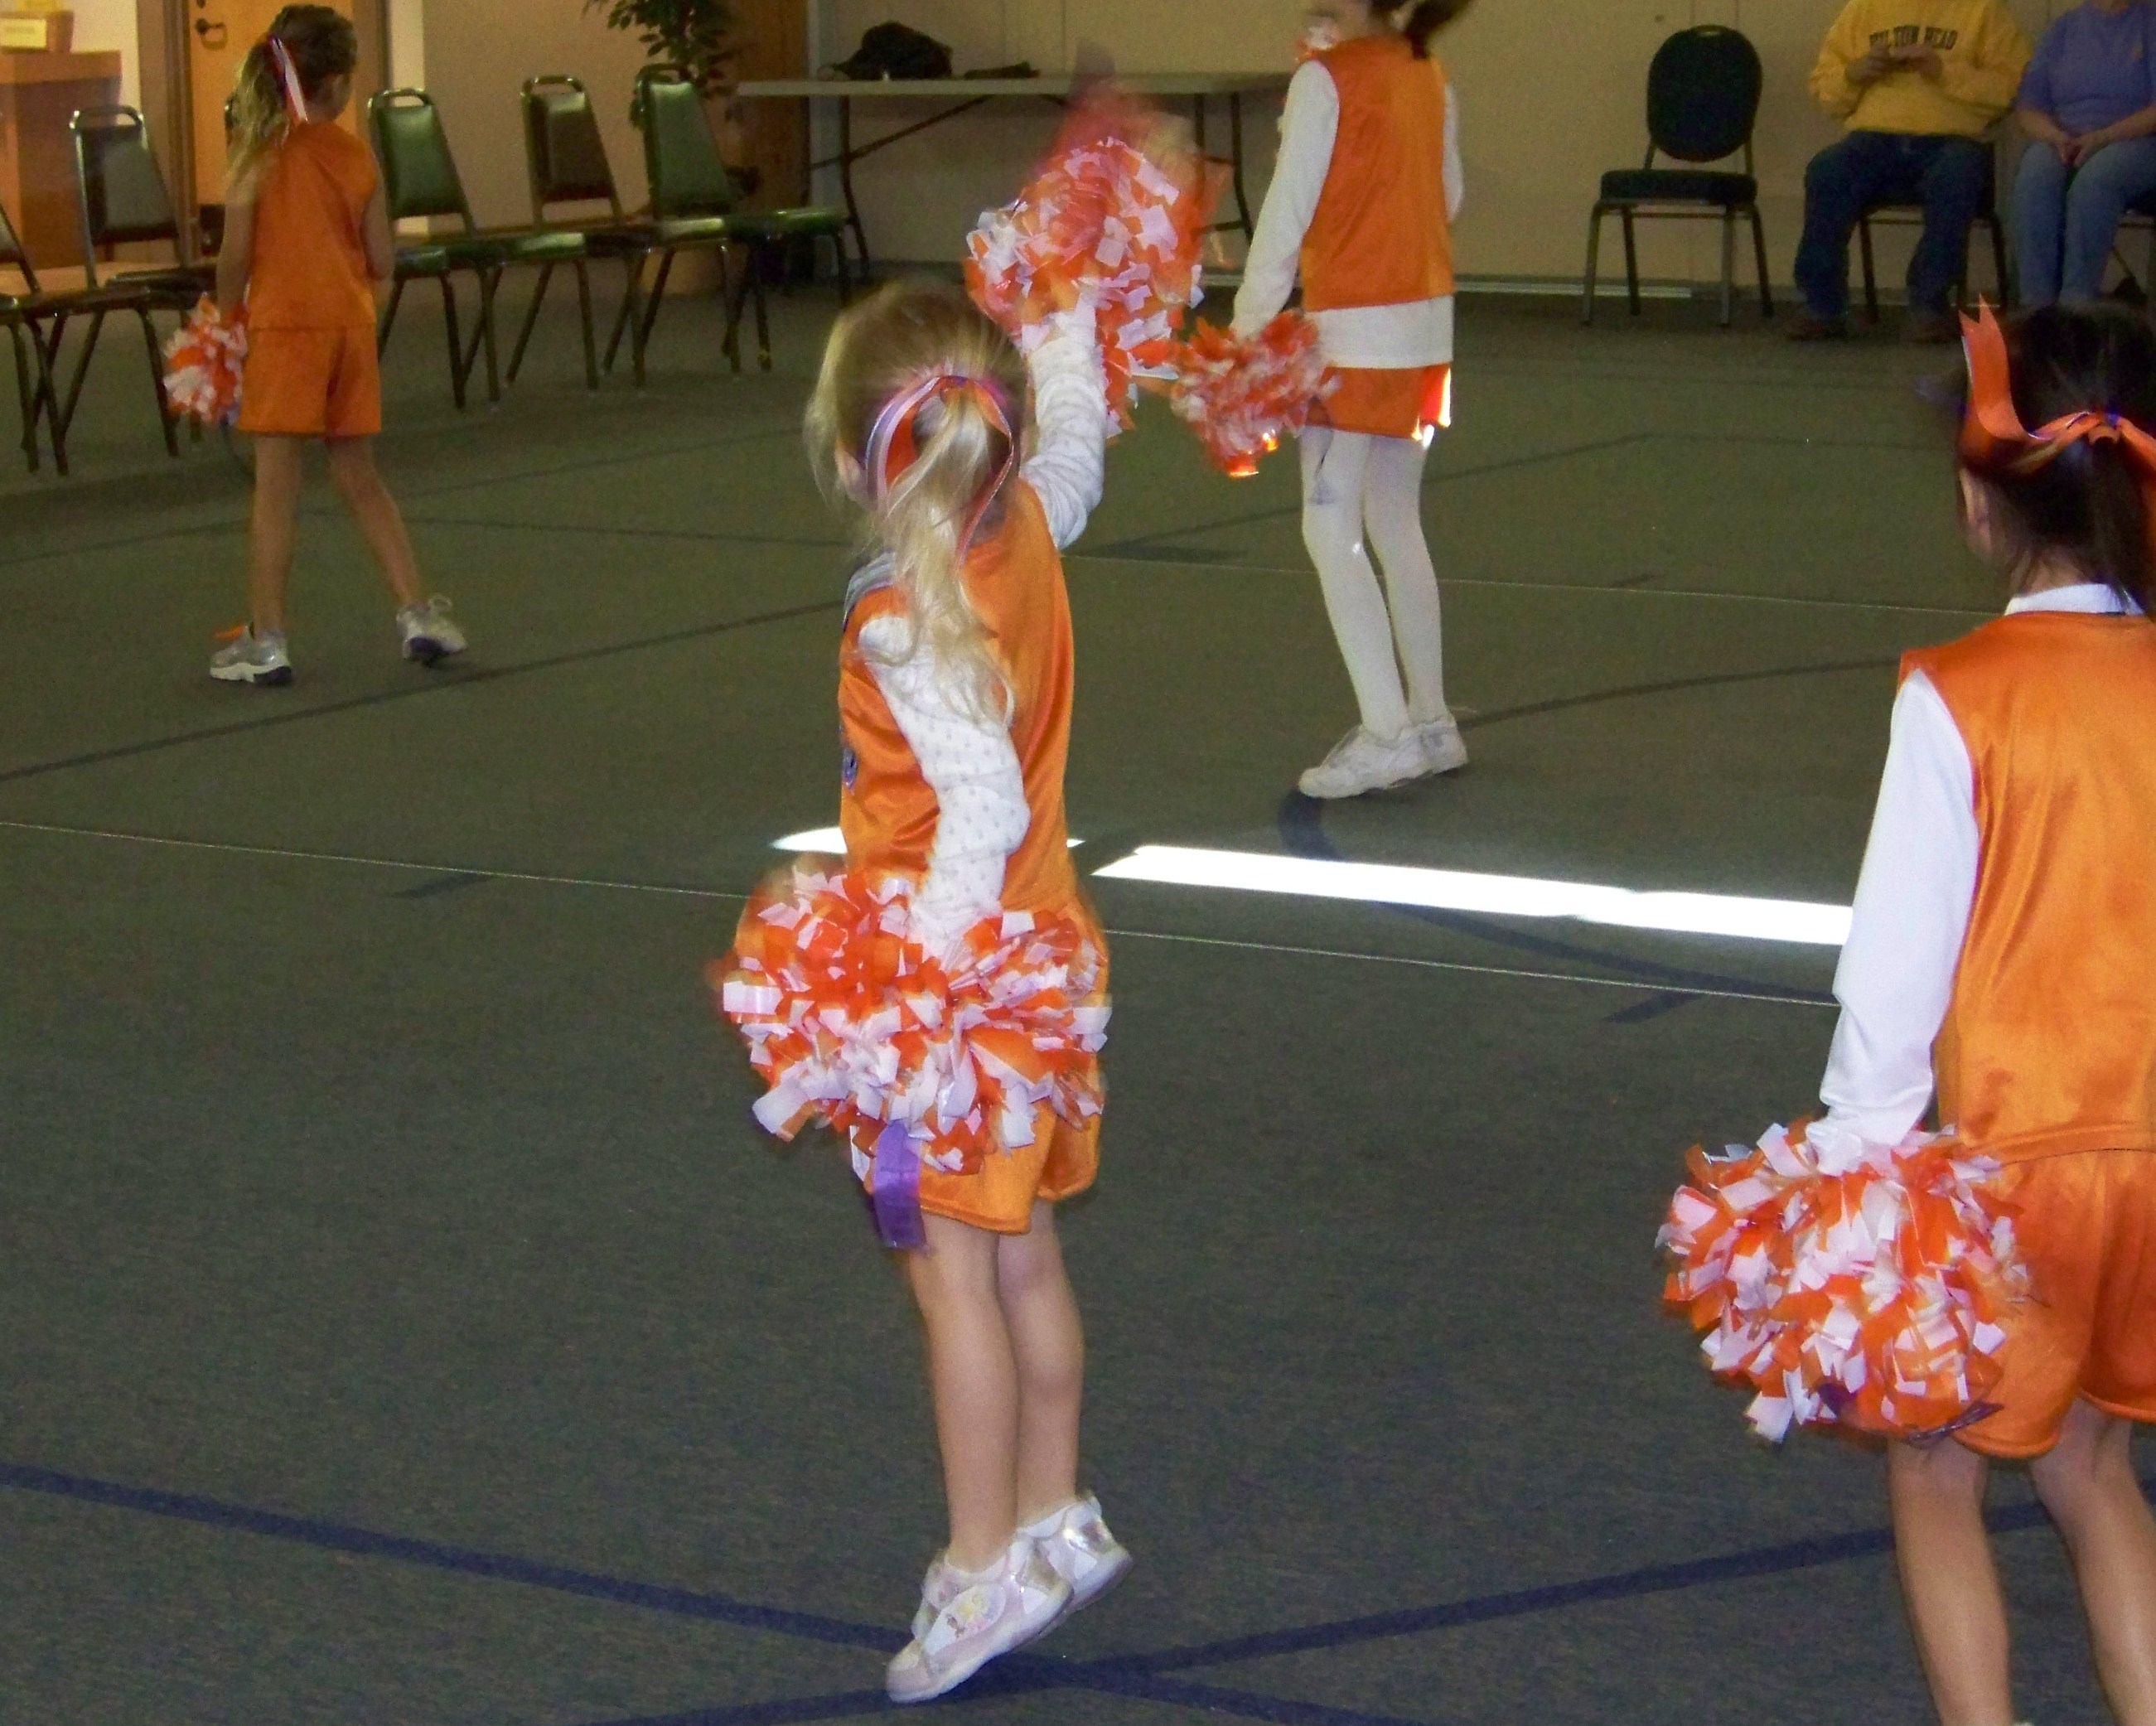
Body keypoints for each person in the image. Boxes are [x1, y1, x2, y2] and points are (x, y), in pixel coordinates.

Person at [1819, 302, 2156, 1724]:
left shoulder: (1956, 697)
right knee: (2091, 1461)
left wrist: (1852, 1171)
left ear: (1978, 504)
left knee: (1932, 1463)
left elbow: (1890, 975)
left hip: (2013, 1170)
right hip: (2148, 1161)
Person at [803, 280, 1130, 1703]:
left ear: (850, 460)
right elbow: (1079, 444)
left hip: (963, 995)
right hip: (1044, 963)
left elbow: (979, 813)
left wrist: (900, 1002)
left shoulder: (904, 620)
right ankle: (1055, 1511)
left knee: (952, 1286)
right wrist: (1062, 313)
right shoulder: (1029, 519)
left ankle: (983, 1558)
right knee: (1023, 1253)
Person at [1233, 0, 1471, 800]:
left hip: (1354, 335)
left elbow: (1283, 218)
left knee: (1329, 529)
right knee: (1394, 519)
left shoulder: (1324, 80)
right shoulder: (1427, 72)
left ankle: (1388, 732)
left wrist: (1246, 334)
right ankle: (1431, 721)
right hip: (1425, 330)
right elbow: (1448, 197)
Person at [208, 4, 464, 686]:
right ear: (338, 84)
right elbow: (381, 258)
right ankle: (415, 612)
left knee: (276, 487)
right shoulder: (356, 156)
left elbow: (234, 256)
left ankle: (269, 638)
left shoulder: (256, 156)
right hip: (348, 329)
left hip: (283, 330)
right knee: (361, 477)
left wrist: (222, 319)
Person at [1793, 0, 2028, 343]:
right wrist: (1853, 74)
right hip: (1873, 139)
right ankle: (1822, 306)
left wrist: (1942, 71)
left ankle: (1928, 307)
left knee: (1957, 173)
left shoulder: (1983, 11)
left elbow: (2011, 89)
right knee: (1827, 170)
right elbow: (1828, 96)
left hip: (1951, 140)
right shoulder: (1864, 8)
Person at [2011, 0, 2156, 306]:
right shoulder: (2062, 30)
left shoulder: (2150, 23)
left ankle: (2076, 304)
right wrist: (2054, 136)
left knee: (2097, 179)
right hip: (2066, 137)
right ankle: (2036, 306)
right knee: (2035, 172)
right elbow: (2028, 108)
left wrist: (2104, 137)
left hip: (2137, 140)